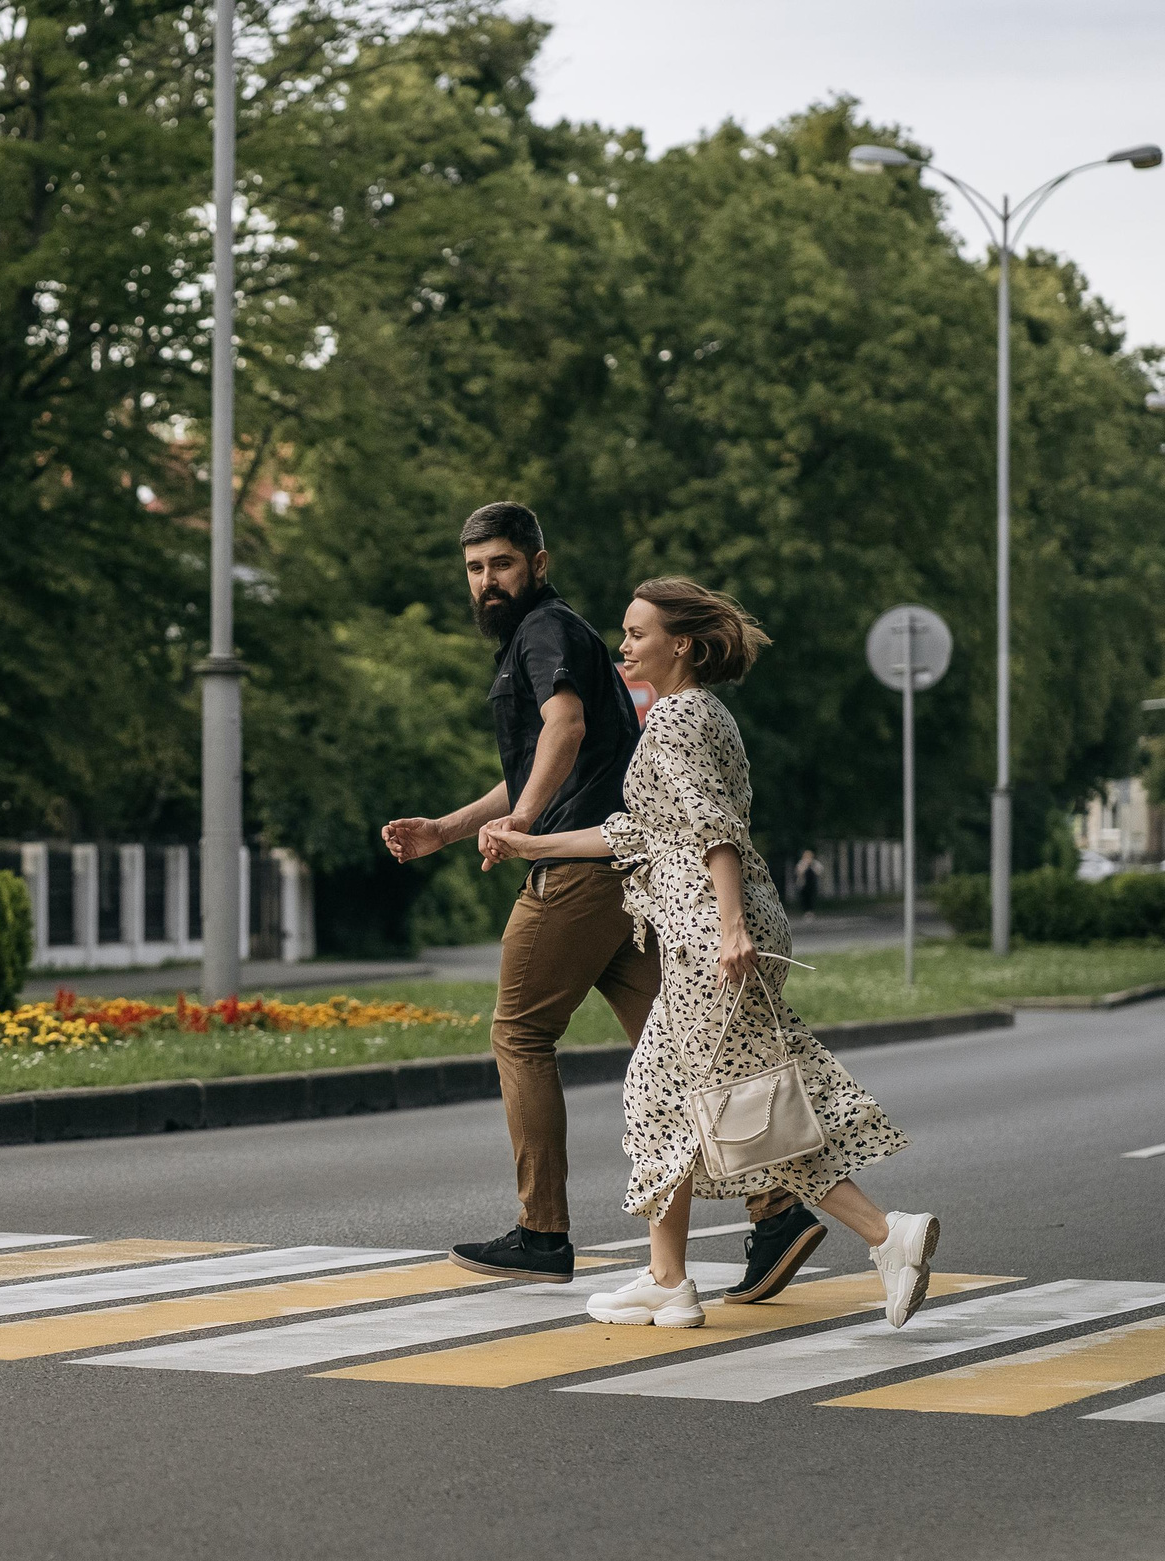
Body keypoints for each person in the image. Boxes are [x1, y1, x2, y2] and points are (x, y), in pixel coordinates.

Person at [383, 503, 817, 1300]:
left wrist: (523, 825)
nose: (487, 581)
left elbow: (565, 730)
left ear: (537, 564)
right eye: (476, 568)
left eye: (502, 564)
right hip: (633, 876)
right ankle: (778, 1205)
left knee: (519, 1032)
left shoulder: (544, 631)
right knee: (692, 1052)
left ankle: (542, 1231)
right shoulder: (557, 637)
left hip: (582, 872)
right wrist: (449, 827)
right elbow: (538, 759)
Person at [480, 579, 940, 1329]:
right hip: (706, 934)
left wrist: (730, 928)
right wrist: (532, 841)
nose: (624, 645)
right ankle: (667, 1279)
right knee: (663, 1101)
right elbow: (636, 834)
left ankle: (890, 1236)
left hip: (707, 941)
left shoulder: (679, 718)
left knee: (756, 1112)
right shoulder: (688, 715)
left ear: (681, 645)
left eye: (637, 633)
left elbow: (711, 827)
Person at [791, 847, 824, 920]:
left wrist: (812, 865)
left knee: (812, 897)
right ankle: (806, 912)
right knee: (804, 898)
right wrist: (805, 865)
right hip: (804, 884)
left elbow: (820, 871)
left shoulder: (815, 863)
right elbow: (798, 872)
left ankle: (811, 912)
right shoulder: (801, 863)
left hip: (812, 884)